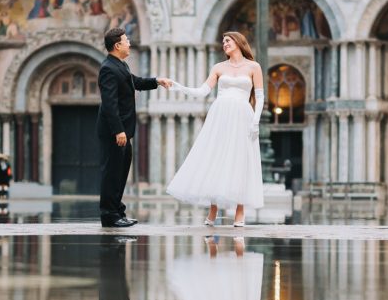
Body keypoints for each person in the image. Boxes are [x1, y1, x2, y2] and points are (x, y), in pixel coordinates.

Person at [165, 31, 264, 228]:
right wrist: (180, 87)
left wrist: (256, 121)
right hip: (220, 115)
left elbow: (260, 97)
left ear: (238, 42)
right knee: (216, 157)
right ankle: (213, 209)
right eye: (223, 42)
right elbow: (203, 91)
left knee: (241, 159)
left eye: (228, 41)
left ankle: (240, 211)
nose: (224, 44)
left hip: (243, 115)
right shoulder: (219, 67)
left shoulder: (254, 67)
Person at [97, 26, 171, 228]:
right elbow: (109, 104)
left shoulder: (120, 65)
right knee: (112, 173)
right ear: (117, 45)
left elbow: (134, 82)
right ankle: (109, 215)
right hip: (114, 132)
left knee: (121, 172)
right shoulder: (108, 68)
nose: (129, 43)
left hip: (122, 130)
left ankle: (117, 212)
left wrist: (157, 81)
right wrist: (118, 130)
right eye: (126, 40)